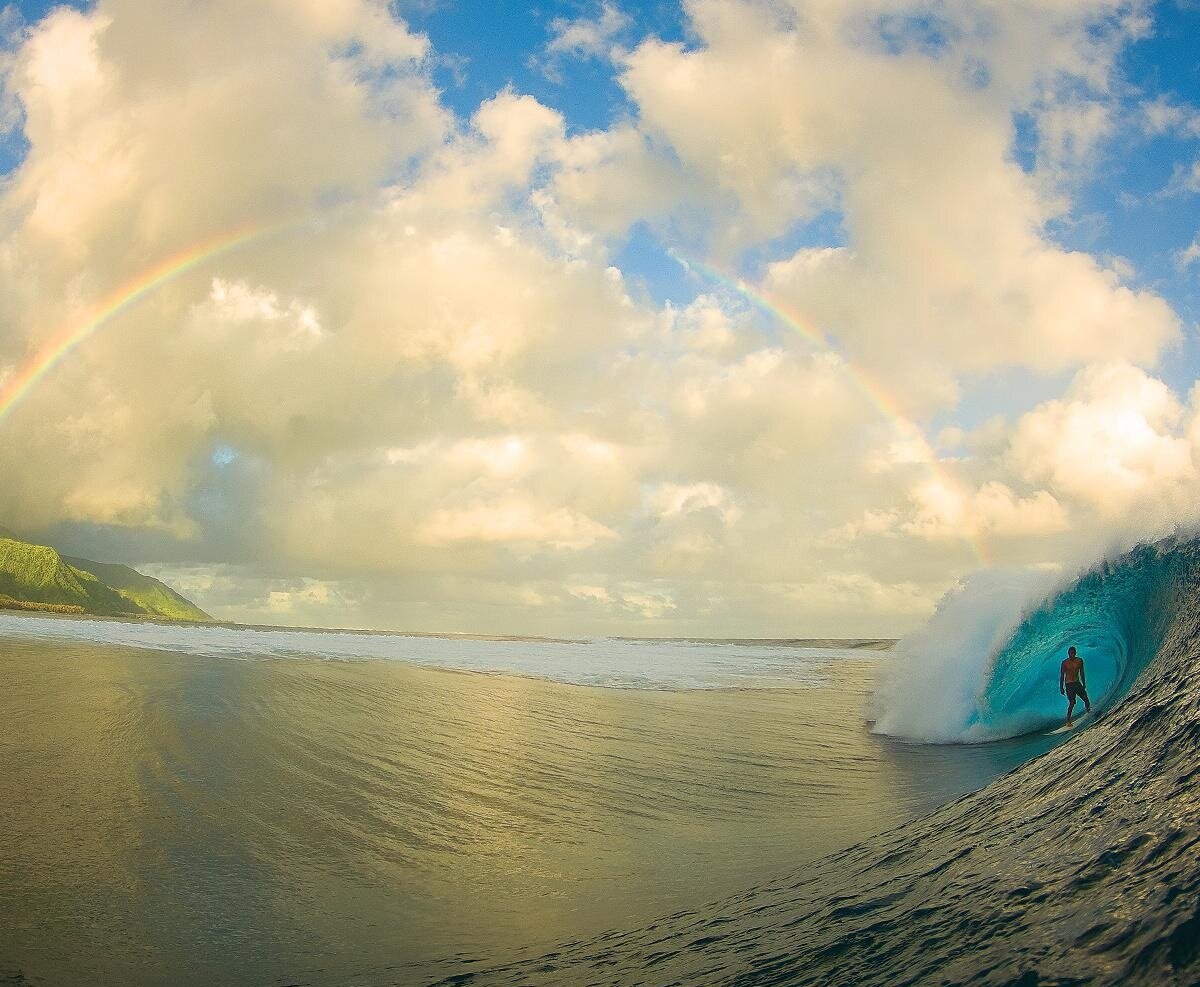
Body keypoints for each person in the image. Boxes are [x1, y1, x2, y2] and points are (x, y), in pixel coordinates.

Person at [1059, 645, 1091, 727]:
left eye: (1073, 653)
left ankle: (1089, 712)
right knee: (1072, 702)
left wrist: (1084, 683)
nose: (1072, 655)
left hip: (1077, 683)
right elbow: (1062, 676)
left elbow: (1082, 673)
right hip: (1069, 685)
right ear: (1068, 653)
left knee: (1085, 698)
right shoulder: (1064, 663)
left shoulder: (1079, 661)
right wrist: (1061, 687)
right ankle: (1068, 721)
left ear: (1075, 653)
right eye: (1070, 653)